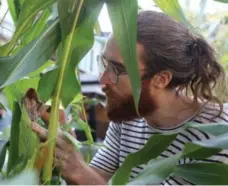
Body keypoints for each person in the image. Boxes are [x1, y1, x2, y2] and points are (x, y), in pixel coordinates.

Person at [32, 10, 228, 185]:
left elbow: (86, 178)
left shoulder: (217, 137)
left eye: (116, 69)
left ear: (161, 79)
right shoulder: (131, 115)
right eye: (105, 64)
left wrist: (78, 170)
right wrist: (63, 141)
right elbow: (97, 178)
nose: (103, 80)